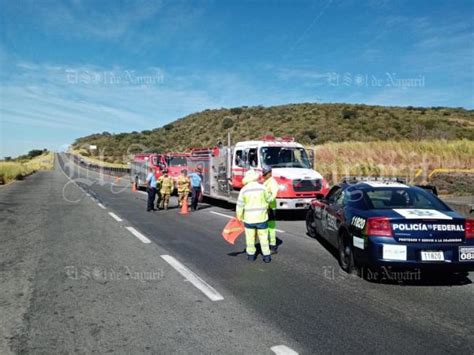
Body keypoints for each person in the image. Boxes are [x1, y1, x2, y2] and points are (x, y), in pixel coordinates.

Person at [236, 169, 272, 263]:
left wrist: (239, 216)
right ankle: (266, 256)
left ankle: (251, 256)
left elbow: (240, 205)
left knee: (250, 238)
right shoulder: (262, 188)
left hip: (249, 219)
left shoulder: (244, 190)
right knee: (263, 238)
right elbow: (269, 199)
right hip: (262, 218)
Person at [262, 167, 279, 252]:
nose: (264, 175)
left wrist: (268, 203)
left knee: (271, 227)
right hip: (266, 208)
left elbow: (273, 195)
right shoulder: (266, 182)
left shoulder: (272, 182)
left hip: (270, 208)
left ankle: (273, 245)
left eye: (265, 174)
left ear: (270, 173)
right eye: (263, 174)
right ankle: (269, 244)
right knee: (266, 227)